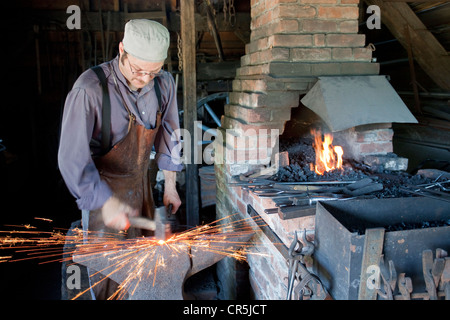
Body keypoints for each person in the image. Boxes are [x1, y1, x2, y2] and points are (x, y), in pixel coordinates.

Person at [58, 19, 183, 299]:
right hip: (102, 192)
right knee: (106, 277)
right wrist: (108, 203)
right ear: (121, 50)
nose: (145, 79)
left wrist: (171, 185)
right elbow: (72, 160)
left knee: (145, 269)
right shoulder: (89, 90)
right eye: (138, 70)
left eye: (154, 71)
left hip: (143, 187)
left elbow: (170, 134)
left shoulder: (164, 84)